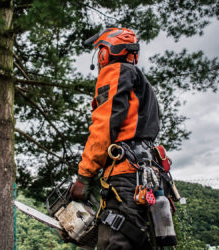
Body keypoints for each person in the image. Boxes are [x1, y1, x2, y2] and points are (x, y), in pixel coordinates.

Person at [70, 28, 160, 250]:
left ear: (105, 52)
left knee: (115, 242)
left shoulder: (115, 71)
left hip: (125, 177)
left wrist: (84, 175)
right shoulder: (143, 85)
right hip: (147, 174)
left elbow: (104, 126)